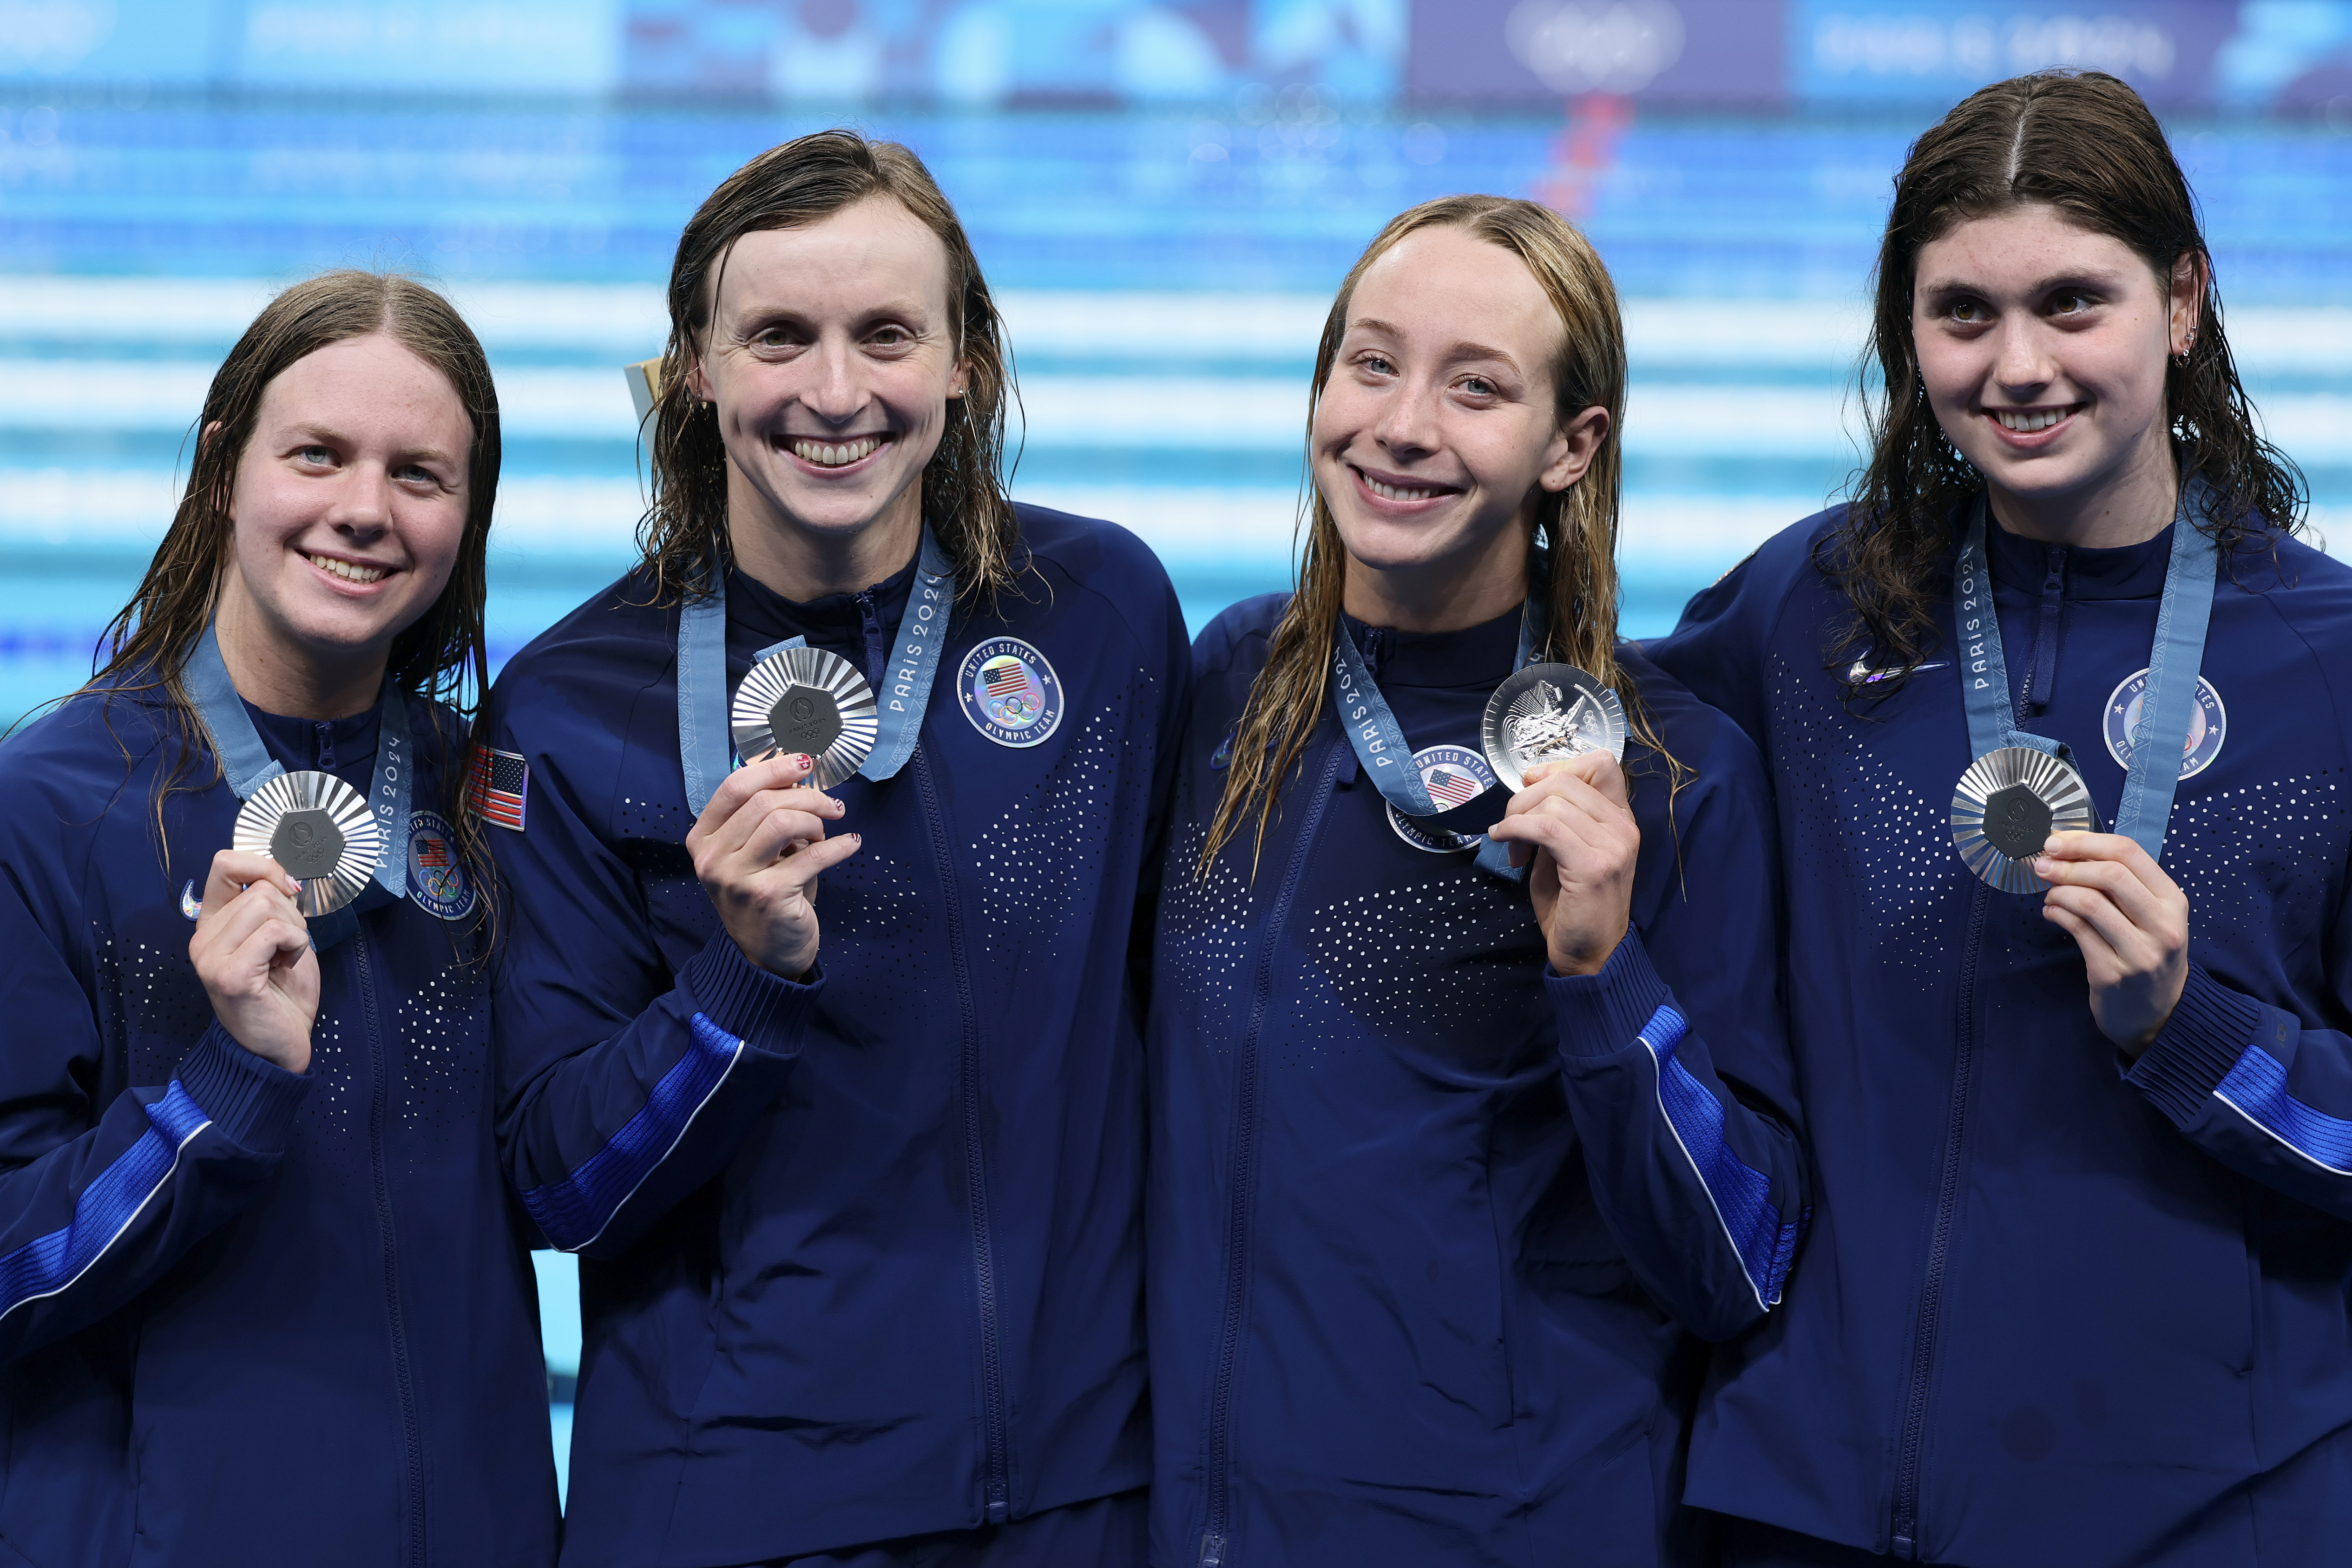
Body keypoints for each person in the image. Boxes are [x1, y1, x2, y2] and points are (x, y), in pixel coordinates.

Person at [1649, 71, 2352, 1566]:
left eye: (2073, 305)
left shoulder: (2330, 666)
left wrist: (2195, 1032)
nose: (2016, 365)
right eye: (1961, 312)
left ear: (2182, 301)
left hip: (2204, 1511)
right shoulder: (1802, 610)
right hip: (1810, 1502)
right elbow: (1568, 734)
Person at [482, 130, 1187, 1567]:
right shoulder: (569, 705)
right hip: (737, 1503)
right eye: (779, 336)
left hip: (1074, 1495)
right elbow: (555, 1183)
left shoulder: (1101, 615)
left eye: (886, 335)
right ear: (696, 364)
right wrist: (733, 991)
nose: (835, 392)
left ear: (965, 361)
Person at [1144, 195, 1808, 1567]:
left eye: (1476, 387)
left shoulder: (1675, 774)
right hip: (1209, 1527)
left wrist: (1603, 978)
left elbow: (1739, 1262)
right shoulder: (1227, 687)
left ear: (1574, 446)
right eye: (1371, 364)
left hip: (1521, 1524)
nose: (1400, 426)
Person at [0, 271, 557, 1565]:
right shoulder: (53, 809)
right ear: (223, 469)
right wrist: (227, 1085)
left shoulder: (491, 802)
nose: (363, 510)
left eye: (420, 474)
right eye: (317, 455)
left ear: (468, 517)